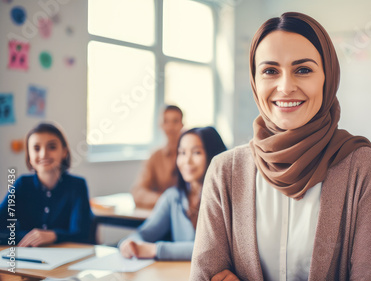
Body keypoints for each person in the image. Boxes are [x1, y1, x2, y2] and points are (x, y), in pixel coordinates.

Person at [190, 12, 371, 281]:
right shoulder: (224, 171)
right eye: (270, 71)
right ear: (254, 80)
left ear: (328, 77)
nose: (285, 87)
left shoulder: (364, 168)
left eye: (303, 70)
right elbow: (205, 275)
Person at [119, 127, 227, 260]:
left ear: (214, 155)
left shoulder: (224, 198)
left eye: (196, 152)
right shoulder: (173, 197)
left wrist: (155, 249)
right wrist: (131, 244)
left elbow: (211, 250)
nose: (187, 161)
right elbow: (143, 234)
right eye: (182, 153)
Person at [0, 122, 93, 246]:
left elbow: (81, 234)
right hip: (27, 259)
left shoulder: (77, 186)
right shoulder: (22, 184)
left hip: (66, 258)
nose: (44, 154)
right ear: (29, 156)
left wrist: (54, 235)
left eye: (52, 147)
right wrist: (30, 237)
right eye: (36, 148)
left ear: (64, 152)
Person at [131, 105, 184, 209]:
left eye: (175, 121)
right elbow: (138, 192)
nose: (170, 127)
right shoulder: (155, 156)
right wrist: (166, 200)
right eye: (166, 121)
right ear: (160, 125)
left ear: (182, 124)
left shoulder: (191, 154)